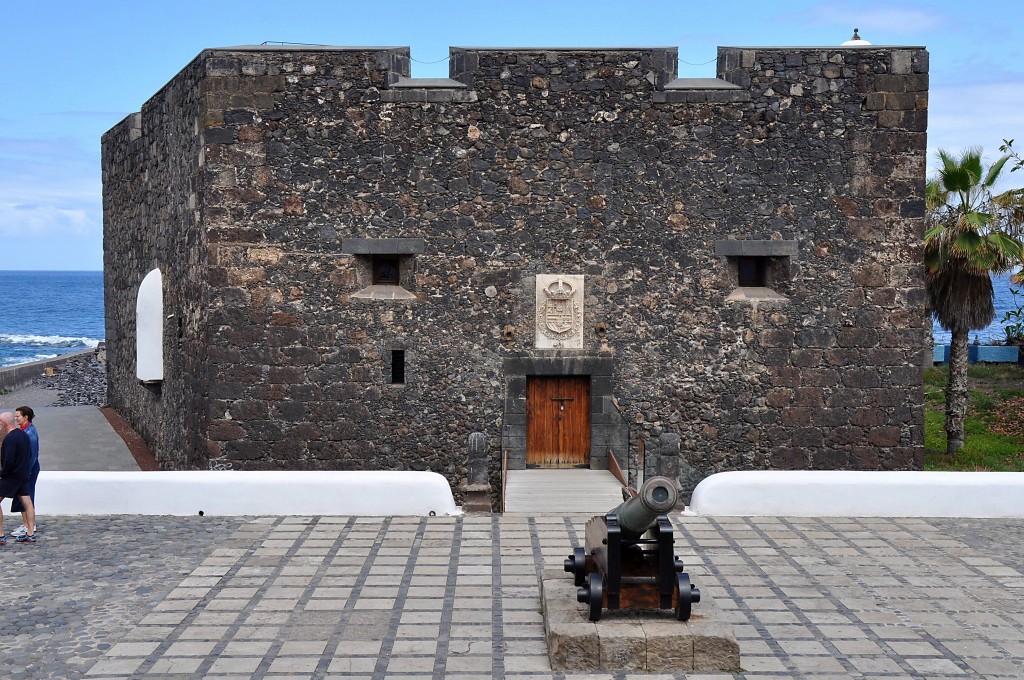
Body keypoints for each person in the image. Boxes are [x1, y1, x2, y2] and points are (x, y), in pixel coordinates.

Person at [0, 412, 36, 544]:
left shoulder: (10, 439)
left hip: (12, 476)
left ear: (3, 423)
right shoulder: (24, 435)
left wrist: (3, 473)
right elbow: (30, 454)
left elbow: (8, 460)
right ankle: (30, 533)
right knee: (28, 503)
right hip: (24, 475)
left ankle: (1, 534)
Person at [11, 406, 39, 538]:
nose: (15, 418)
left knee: (26, 497)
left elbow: (32, 455)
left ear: (25, 417)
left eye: (18, 416)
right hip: (26, 470)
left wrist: (25, 473)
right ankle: (27, 524)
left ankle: (29, 525)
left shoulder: (29, 434)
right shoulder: (25, 431)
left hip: (28, 471)